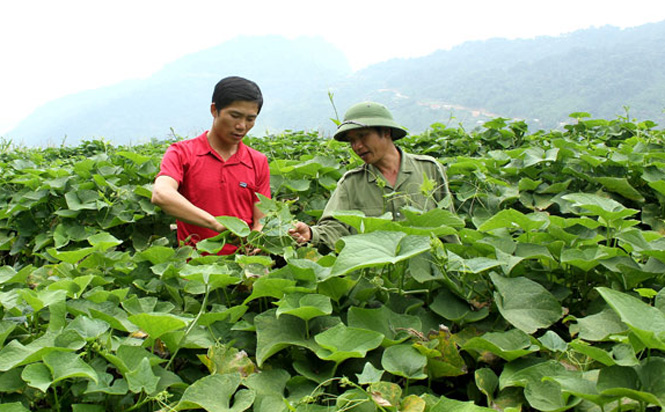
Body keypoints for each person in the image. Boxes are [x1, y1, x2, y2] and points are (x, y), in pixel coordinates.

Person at [289, 101, 454, 251]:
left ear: (386, 132)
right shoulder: (351, 183)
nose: (357, 146)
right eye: (352, 141)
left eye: (363, 136)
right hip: (375, 276)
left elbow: (448, 225)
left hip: (425, 272)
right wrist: (311, 235)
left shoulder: (429, 169)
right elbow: (335, 228)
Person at [152, 76, 270, 255]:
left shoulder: (257, 161)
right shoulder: (182, 153)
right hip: (196, 270)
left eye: (250, 119)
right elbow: (161, 194)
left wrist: (257, 238)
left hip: (245, 267)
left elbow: (262, 217)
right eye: (235, 116)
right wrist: (216, 224)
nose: (241, 126)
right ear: (214, 110)